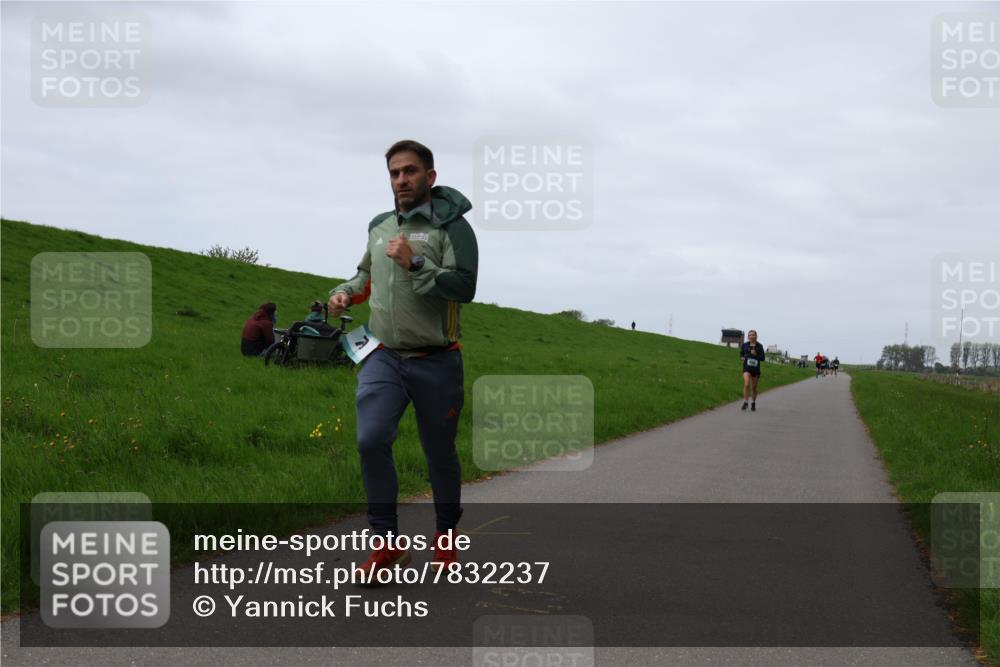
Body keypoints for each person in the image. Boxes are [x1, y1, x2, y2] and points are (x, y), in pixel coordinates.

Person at [327, 140, 478, 579]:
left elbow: (464, 287)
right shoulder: (379, 226)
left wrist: (414, 264)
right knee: (371, 440)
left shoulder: (453, 228)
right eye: (394, 173)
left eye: (410, 171)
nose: (401, 180)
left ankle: (445, 539)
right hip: (383, 356)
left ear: (430, 177)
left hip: (437, 359)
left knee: (439, 454)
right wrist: (345, 292)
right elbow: (365, 275)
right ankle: (387, 545)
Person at [740, 330, 765, 411]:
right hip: (746, 368)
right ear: (748, 337)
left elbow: (763, 358)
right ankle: (745, 402)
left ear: (756, 336)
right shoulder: (745, 345)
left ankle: (753, 403)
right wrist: (742, 357)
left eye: (753, 335)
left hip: (755, 369)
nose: (751, 336)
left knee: (754, 387)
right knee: (746, 384)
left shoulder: (759, 346)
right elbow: (741, 353)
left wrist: (756, 354)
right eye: (750, 335)